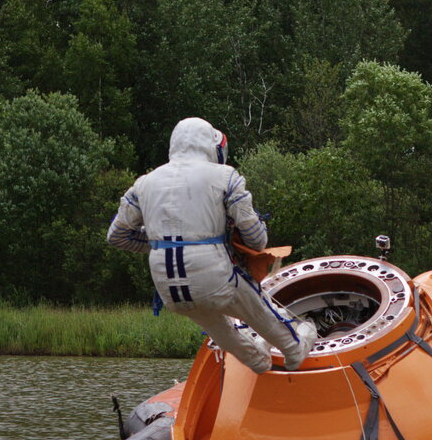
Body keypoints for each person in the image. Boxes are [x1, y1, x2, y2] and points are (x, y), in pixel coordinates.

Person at [107, 116, 316, 375]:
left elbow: (117, 236)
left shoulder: (143, 183)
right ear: (209, 144)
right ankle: (295, 348)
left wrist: (162, 245)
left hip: (168, 286)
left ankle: (259, 362)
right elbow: (256, 238)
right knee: (257, 308)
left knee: (218, 327)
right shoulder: (226, 176)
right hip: (213, 273)